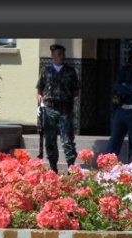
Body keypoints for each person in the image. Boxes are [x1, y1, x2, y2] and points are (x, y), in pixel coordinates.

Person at [36, 43, 80, 172]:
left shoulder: (70, 71)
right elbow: (39, 89)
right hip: (50, 109)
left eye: (63, 54)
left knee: (67, 140)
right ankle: (53, 167)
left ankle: (71, 166)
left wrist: (65, 96)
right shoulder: (46, 71)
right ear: (52, 56)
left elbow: (76, 90)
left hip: (65, 109)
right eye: (59, 54)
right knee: (50, 140)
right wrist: (40, 102)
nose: (62, 56)